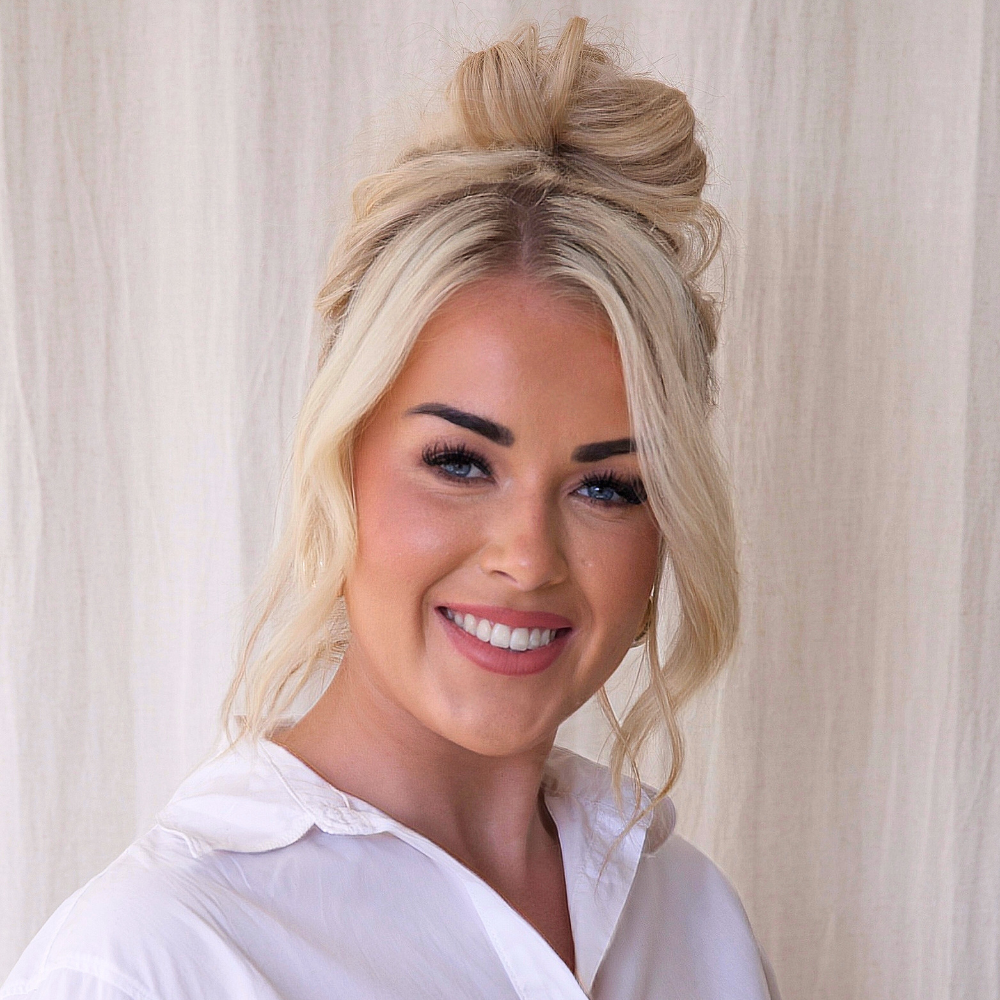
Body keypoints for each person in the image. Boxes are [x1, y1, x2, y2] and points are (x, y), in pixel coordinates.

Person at [2, 17, 780, 1000]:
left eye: (606, 486)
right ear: (341, 467)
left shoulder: (695, 919)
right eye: (459, 463)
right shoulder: (155, 959)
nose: (527, 556)